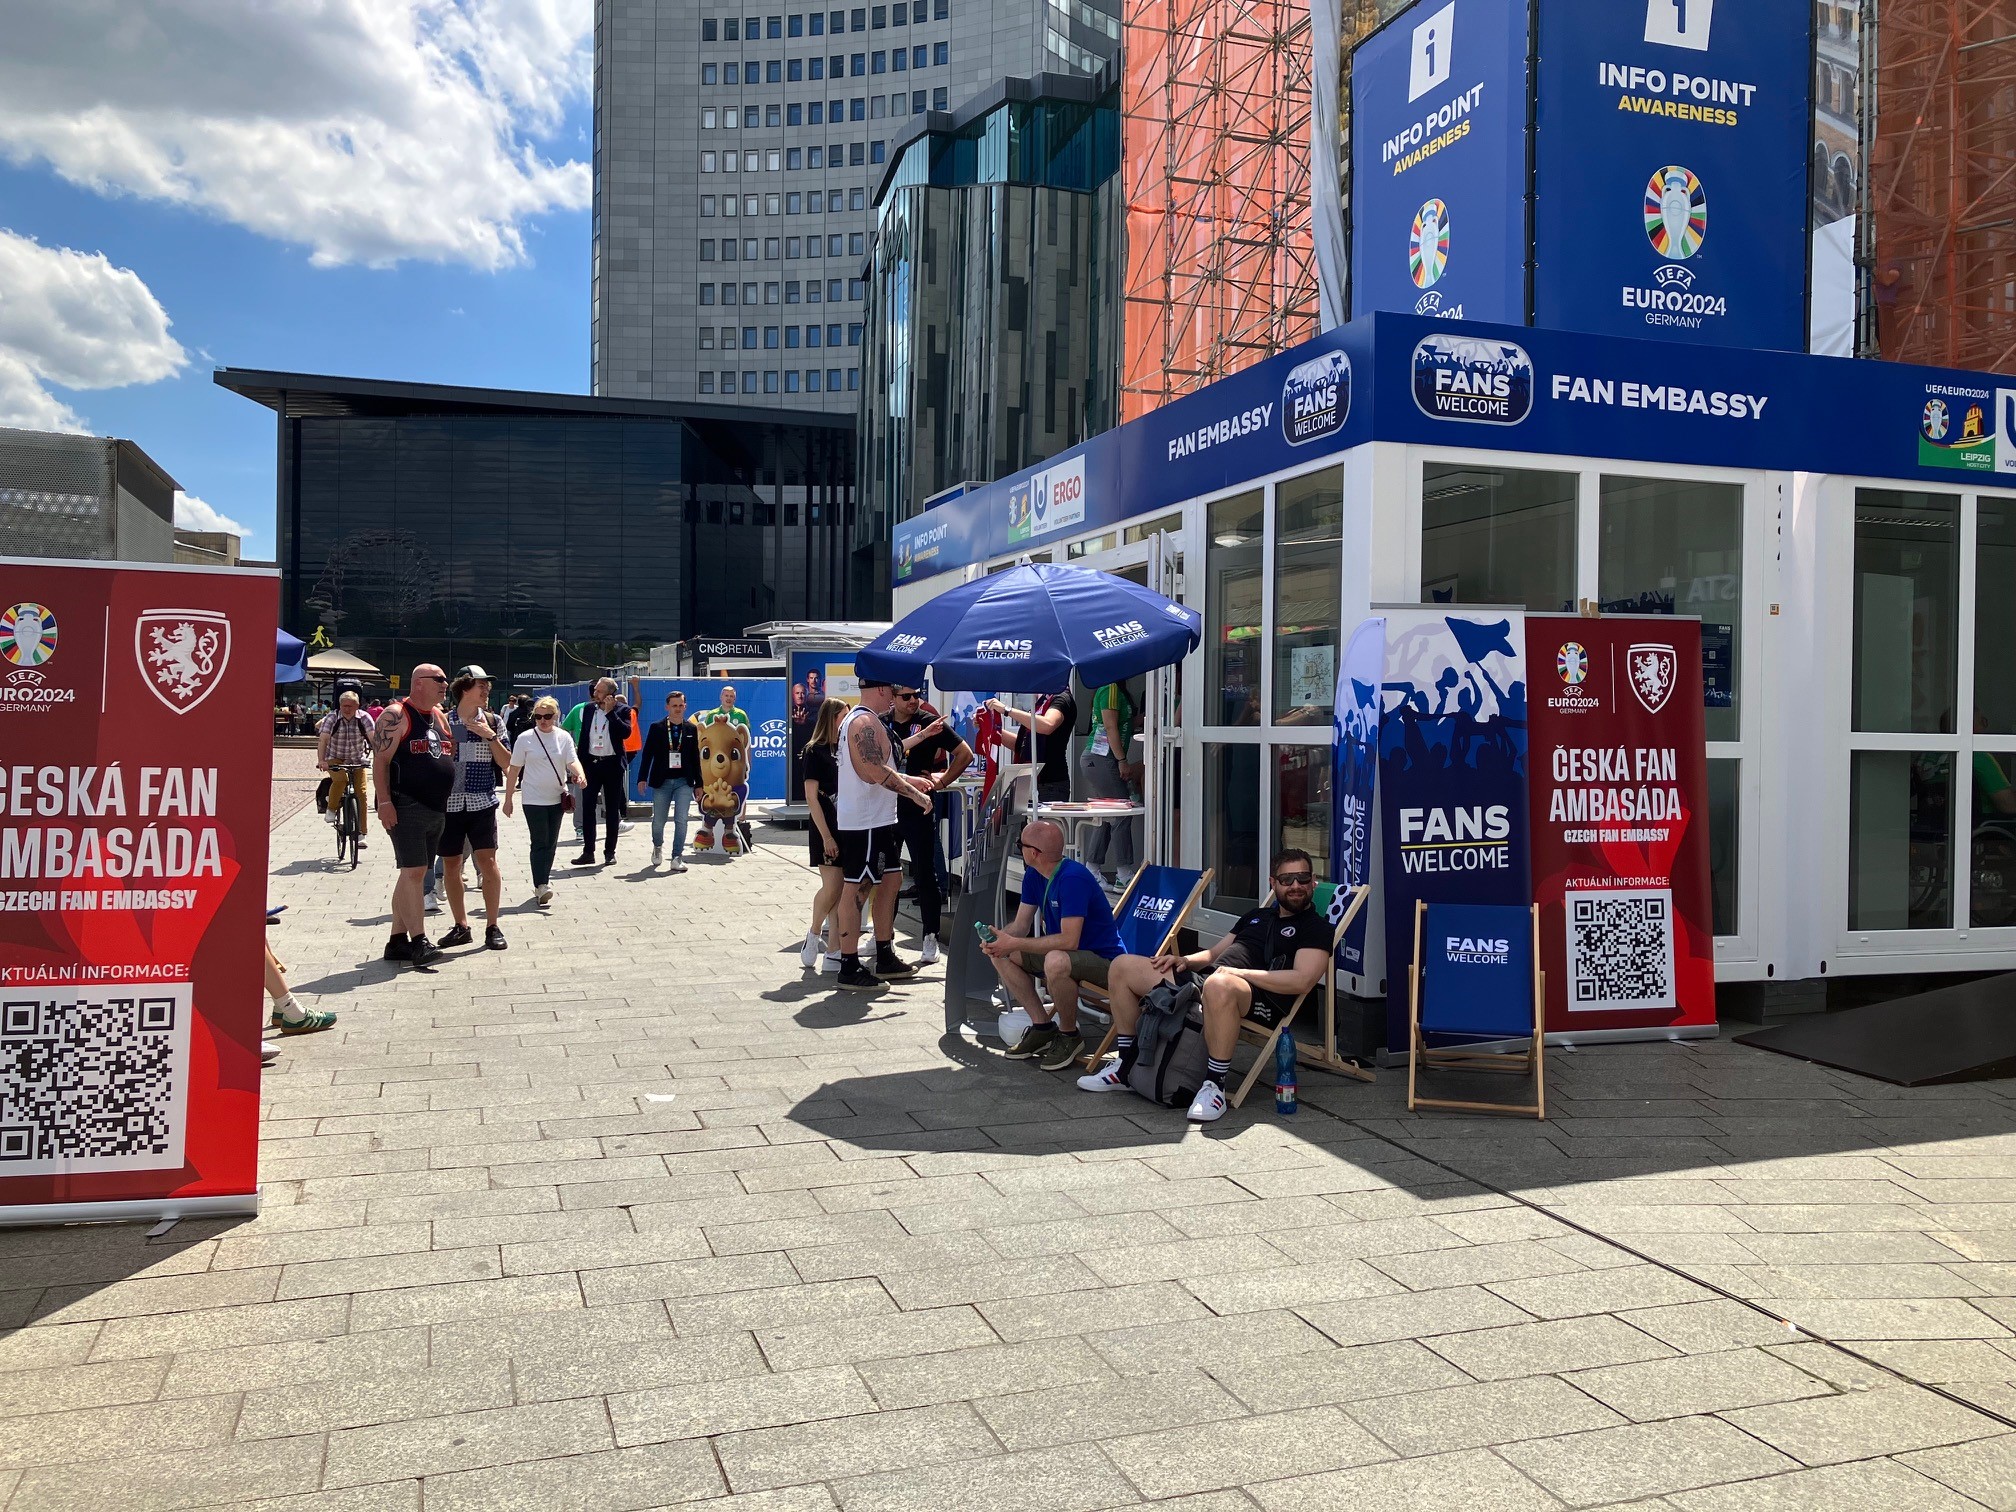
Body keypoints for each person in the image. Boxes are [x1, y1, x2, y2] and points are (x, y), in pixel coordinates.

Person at [1078, 848, 1330, 1123]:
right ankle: (1125, 1067)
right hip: (1210, 981)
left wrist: (1239, 974)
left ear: (1313, 882)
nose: (1295, 885)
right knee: (1122, 966)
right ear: (1273, 883)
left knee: (1219, 984)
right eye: (1287, 879)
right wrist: (1184, 960)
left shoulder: (1316, 928)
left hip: (1259, 996)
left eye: (1302, 878)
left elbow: (1302, 980)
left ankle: (1214, 1087)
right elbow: (1213, 954)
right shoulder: (1256, 915)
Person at [979, 819, 1125, 1070]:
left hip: (1106, 962)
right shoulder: (1034, 874)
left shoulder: (1073, 879)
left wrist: (1013, 942)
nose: (1019, 849)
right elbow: (1021, 924)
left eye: (1020, 845)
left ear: (1034, 853)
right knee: (1001, 954)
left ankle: (1069, 1036)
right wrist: (1000, 939)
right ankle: (1042, 1027)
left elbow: (1070, 940)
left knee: (1055, 960)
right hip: (1067, 954)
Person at [832, 679, 934, 990]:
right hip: (864, 821)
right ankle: (848, 964)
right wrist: (914, 794)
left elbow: (880, 767)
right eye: (893, 690)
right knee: (858, 888)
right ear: (880, 689)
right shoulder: (863, 721)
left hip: (878, 818)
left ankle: (885, 954)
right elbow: (876, 772)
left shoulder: (868, 719)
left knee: (892, 880)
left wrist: (911, 781)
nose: (895, 697)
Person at [371, 663, 456, 966]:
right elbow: (380, 761)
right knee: (414, 872)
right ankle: (419, 941)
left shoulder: (438, 715)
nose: (445, 684)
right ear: (419, 682)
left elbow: (445, 751)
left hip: (436, 806)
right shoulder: (395, 715)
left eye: (445, 680)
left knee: (412, 873)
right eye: (439, 679)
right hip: (406, 804)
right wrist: (384, 802)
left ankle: (397, 941)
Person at [883, 687, 972, 965]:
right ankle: (883, 938)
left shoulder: (928, 721)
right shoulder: (881, 721)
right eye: (906, 696)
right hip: (886, 807)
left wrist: (941, 781)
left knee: (925, 874)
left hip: (918, 807)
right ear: (892, 698)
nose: (913, 700)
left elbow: (965, 753)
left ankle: (930, 936)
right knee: (886, 876)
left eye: (916, 695)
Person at [438, 666, 511, 951]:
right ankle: (461, 926)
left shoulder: (493, 720)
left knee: (488, 863)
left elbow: (507, 763)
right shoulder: (443, 721)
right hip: (450, 803)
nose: (486, 690)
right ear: (464, 688)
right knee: (451, 865)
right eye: (481, 685)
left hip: (482, 801)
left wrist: (490, 736)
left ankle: (492, 925)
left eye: (487, 686)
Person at [503, 695, 584, 907]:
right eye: (538, 717)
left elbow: (572, 760)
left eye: (547, 716)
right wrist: (508, 799)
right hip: (533, 798)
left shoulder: (563, 737)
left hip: (557, 797)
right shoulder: (525, 738)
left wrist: (580, 775)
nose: (543, 721)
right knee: (540, 841)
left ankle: (543, 881)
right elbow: (514, 770)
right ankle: (541, 885)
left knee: (551, 843)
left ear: (555, 716)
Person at [799, 697, 847, 971]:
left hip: (848, 822)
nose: (846, 721)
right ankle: (814, 932)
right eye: (843, 716)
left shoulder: (845, 747)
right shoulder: (814, 750)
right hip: (825, 824)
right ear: (832, 718)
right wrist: (827, 836)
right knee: (833, 886)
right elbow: (811, 797)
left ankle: (834, 950)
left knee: (842, 889)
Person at [1081, 680, 1139, 886]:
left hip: (1101, 759)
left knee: (1107, 815)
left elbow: (1123, 724)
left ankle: (1092, 870)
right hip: (1102, 758)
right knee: (1122, 813)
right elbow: (1110, 726)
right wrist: (1122, 760)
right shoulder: (1110, 687)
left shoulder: (1114, 689)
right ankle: (1123, 875)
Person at [639, 689, 702, 871]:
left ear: (685, 706)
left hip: (684, 781)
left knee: (681, 819)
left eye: (681, 705)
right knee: (659, 821)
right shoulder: (657, 727)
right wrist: (642, 777)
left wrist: (699, 784)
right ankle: (657, 846)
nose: (678, 709)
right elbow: (647, 755)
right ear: (667, 707)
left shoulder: (691, 729)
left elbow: (695, 758)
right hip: (662, 780)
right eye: (674, 705)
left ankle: (676, 856)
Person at [574, 677, 633, 865]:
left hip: (612, 765)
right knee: (588, 807)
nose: (595, 694)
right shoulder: (589, 709)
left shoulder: (623, 710)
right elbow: (584, 738)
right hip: (591, 764)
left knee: (612, 809)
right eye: (595, 690)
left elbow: (625, 733)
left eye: (599, 691)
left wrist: (610, 713)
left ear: (610, 694)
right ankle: (588, 851)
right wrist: (579, 767)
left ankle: (610, 852)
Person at [987, 685, 1077, 803]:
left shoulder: (1061, 698)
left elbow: (1048, 725)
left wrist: (1007, 710)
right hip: (1027, 781)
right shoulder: (1041, 703)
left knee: (1041, 816)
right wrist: (991, 728)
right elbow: (1021, 746)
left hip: (1050, 784)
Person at [692, 684, 753, 855]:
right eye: (726, 695)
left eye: (731, 696)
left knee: (737, 791)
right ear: (721, 697)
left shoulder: (741, 715)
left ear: (735, 698)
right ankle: (708, 830)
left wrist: (747, 761)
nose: (729, 698)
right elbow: (705, 742)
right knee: (713, 792)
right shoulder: (712, 714)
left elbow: (746, 741)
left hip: (733, 764)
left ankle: (738, 824)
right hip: (714, 767)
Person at [315, 688, 376, 834]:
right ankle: (331, 808)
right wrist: (322, 760)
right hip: (334, 757)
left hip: (357, 759)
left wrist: (381, 757)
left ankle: (362, 833)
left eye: (350, 706)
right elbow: (323, 740)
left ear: (357, 706)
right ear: (340, 705)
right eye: (344, 706)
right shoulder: (332, 718)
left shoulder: (364, 718)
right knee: (341, 780)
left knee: (361, 793)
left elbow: (374, 739)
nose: (347, 709)